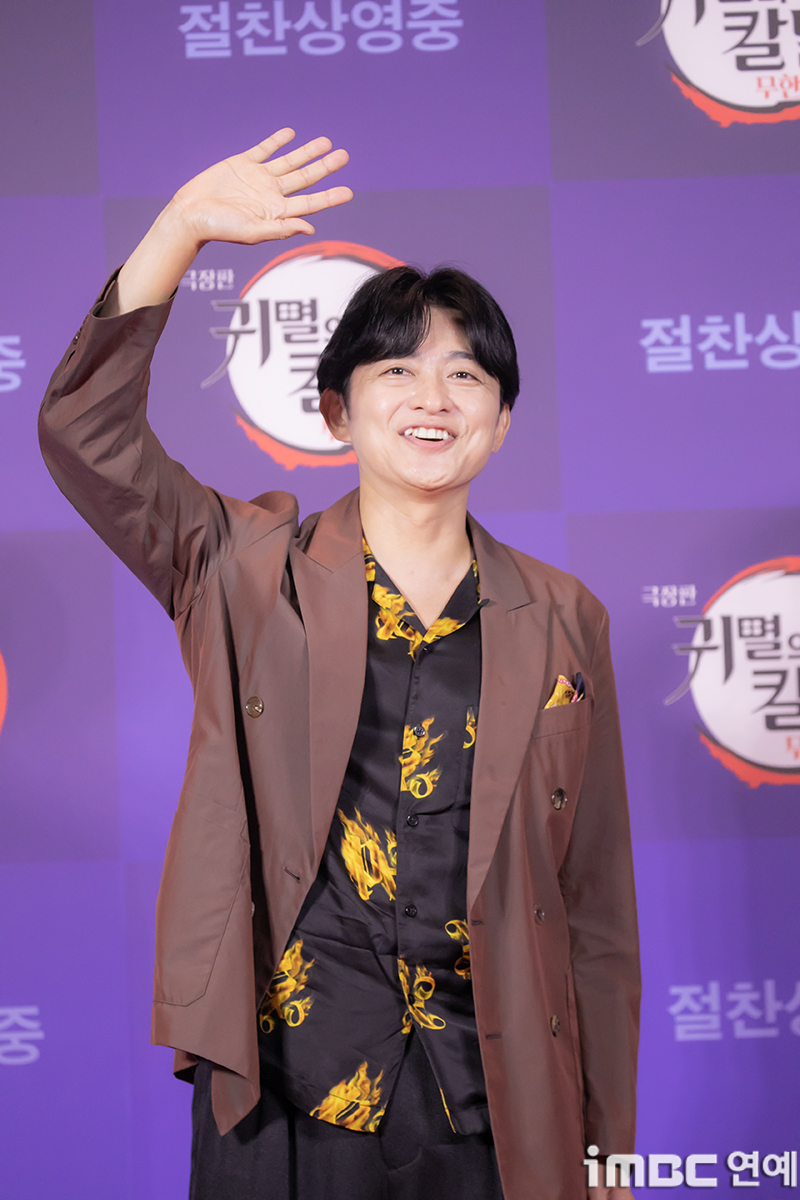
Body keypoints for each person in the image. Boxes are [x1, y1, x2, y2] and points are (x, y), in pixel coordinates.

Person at [39, 130, 640, 1200]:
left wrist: (605, 1146)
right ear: (335, 411)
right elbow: (86, 433)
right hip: (285, 1090)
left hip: (495, 1098)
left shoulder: (563, 617)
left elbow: (593, 903)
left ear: (501, 421)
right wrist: (179, 230)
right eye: (397, 369)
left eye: (465, 375)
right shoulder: (240, 566)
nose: (433, 398)